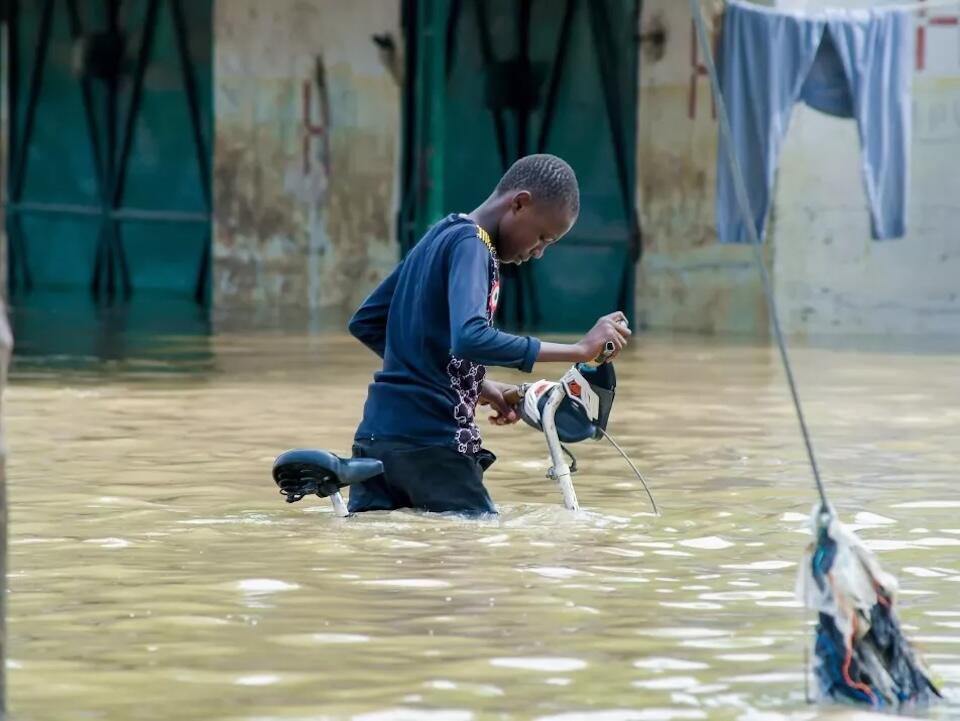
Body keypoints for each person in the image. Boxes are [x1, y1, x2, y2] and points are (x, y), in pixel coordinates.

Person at [346, 154, 631, 516]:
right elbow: (470, 336)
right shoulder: (474, 245)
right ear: (519, 203)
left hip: (376, 440)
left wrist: (480, 386)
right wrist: (579, 349)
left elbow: (368, 323)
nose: (539, 252)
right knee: (480, 560)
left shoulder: (443, 232)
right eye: (543, 236)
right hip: (432, 443)